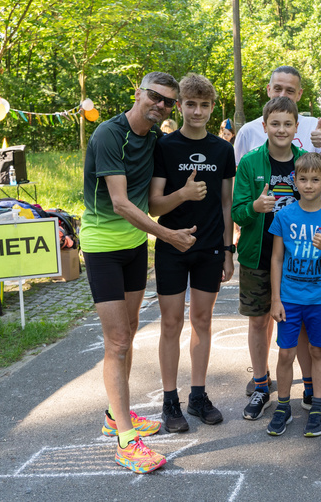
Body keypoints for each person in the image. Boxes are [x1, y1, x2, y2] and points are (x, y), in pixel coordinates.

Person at [81, 71, 197, 473]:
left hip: (133, 247)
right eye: (155, 96)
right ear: (139, 93)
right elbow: (121, 204)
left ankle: (117, 416)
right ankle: (126, 440)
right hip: (102, 248)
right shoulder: (109, 135)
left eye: (168, 101)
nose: (160, 105)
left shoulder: (153, 141)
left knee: (128, 335)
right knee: (116, 341)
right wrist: (169, 236)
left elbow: (153, 199)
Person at [233, 96, 321, 421]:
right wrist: (254, 208)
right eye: (274, 124)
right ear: (264, 127)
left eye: (287, 124)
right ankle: (262, 385)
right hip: (258, 254)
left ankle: (310, 388)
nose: (281, 129)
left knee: (303, 326)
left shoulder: (304, 162)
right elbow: (236, 211)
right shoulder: (251, 162)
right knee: (258, 321)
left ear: (296, 129)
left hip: (300, 261)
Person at [148, 74, 235, 433]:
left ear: (212, 108)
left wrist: (229, 251)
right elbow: (154, 206)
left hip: (210, 248)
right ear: (180, 105)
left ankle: (198, 396)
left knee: (202, 321)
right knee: (170, 323)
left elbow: (227, 204)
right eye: (190, 104)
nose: (197, 111)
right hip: (171, 246)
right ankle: (171, 402)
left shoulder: (222, 149)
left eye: (204, 105)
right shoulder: (165, 147)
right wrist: (182, 195)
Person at [266, 153, 321, 437]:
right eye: (303, 179)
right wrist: (275, 299)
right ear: (294, 181)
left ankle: (318, 405)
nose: (309, 185)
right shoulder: (284, 215)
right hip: (289, 297)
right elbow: (276, 259)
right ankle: (284, 406)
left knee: (317, 350)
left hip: (320, 299)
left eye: (315, 179)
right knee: (286, 353)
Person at [233, 66, 321, 172]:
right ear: (269, 90)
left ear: (299, 94)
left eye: (290, 91)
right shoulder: (247, 131)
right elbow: (237, 174)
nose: (282, 95)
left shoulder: (313, 126)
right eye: (278, 89)